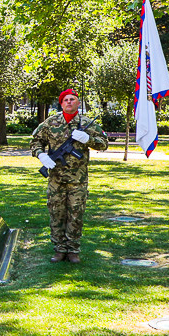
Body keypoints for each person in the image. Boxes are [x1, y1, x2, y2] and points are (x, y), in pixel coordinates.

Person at [30, 88, 109, 263]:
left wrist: (88, 139)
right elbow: (35, 141)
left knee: (76, 214)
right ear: (61, 103)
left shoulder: (86, 123)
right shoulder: (50, 123)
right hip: (56, 180)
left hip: (78, 180)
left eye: (72, 99)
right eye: (65, 100)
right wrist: (41, 155)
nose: (69, 102)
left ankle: (73, 250)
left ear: (78, 103)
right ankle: (59, 250)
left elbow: (104, 143)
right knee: (56, 213)